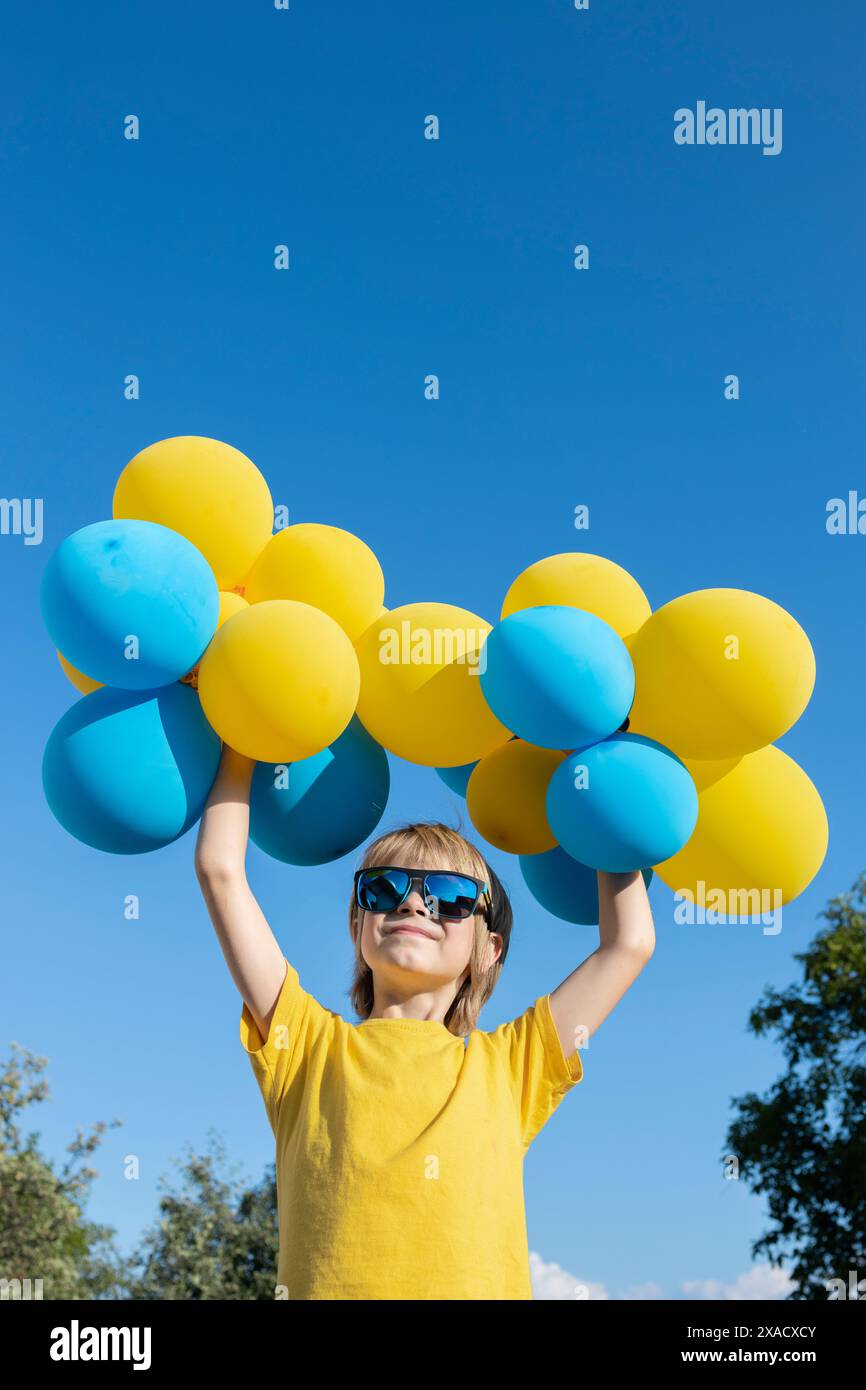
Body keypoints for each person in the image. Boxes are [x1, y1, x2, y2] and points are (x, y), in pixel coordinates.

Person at [195, 744, 655, 1300]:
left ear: (488, 949)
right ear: (358, 925)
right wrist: (241, 738)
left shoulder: (513, 1066)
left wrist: (601, 767)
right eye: (384, 888)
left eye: (451, 897)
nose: (414, 905)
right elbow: (220, 870)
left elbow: (628, 944)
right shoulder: (306, 1048)